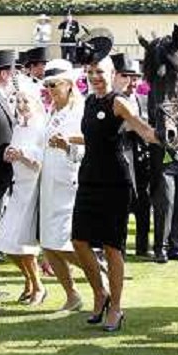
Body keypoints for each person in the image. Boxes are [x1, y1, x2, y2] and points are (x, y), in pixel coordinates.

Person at [70, 32, 159, 332]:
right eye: (91, 72)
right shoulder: (87, 102)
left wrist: (169, 140)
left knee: (112, 247)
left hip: (116, 182)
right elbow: (93, 137)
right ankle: (100, 292)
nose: (95, 77)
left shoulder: (119, 102)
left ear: (113, 74)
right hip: (89, 178)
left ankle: (116, 308)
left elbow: (142, 129)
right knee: (79, 240)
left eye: (101, 72)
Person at [39, 59, 86, 311]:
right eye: (46, 85)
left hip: (70, 183)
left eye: (54, 84)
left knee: (61, 243)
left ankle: (100, 280)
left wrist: (67, 145)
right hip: (48, 184)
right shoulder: (50, 111)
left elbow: (90, 146)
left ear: (69, 84)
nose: (49, 89)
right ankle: (72, 295)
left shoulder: (79, 110)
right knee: (48, 245)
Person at [0, 89, 47, 305]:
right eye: (18, 101)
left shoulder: (41, 129)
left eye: (26, 101)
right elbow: (14, 150)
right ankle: (29, 280)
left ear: (35, 103)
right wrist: (9, 153)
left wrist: (23, 155)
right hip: (17, 188)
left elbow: (40, 163)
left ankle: (38, 286)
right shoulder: (18, 128)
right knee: (6, 242)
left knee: (23, 245)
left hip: (32, 190)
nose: (22, 105)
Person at [111, 53, 153, 258]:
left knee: (144, 203)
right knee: (122, 204)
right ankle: (120, 247)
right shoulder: (112, 101)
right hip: (121, 153)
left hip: (142, 157)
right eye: (128, 76)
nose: (133, 82)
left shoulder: (143, 100)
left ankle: (143, 247)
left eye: (136, 77)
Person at [0, 50, 16, 238]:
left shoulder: (2, 96)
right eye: (12, 73)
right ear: (3, 74)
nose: (13, 77)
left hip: (3, 168)